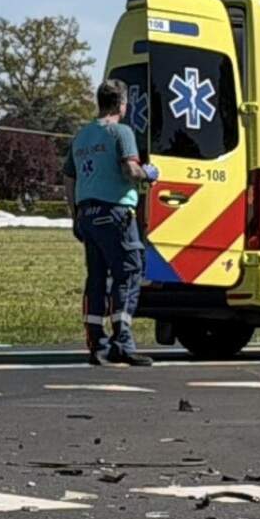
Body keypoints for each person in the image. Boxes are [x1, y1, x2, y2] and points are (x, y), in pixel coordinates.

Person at [69, 79, 158, 366]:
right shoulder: (121, 132)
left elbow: (68, 179)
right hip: (116, 213)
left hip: (88, 215)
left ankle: (97, 342)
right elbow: (129, 169)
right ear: (122, 104)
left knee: (97, 278)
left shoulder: (81, 136)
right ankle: (123, 342)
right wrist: (149, 173)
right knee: (129, 271)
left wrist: (75, 216)